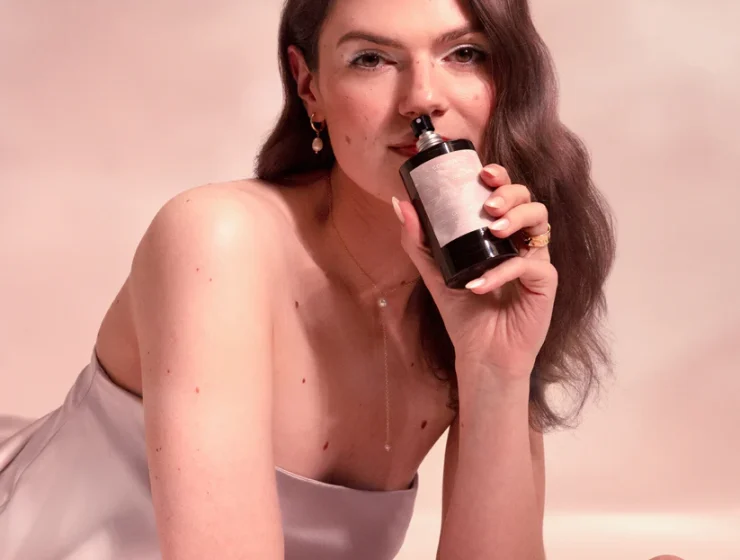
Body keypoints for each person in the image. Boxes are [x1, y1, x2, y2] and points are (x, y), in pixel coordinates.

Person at [0, 0, 619, 558]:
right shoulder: (217, 238)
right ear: (309, 85)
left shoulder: (494, 280)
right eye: (372, 58)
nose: (422, 98)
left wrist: (494, 371)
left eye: (464, 53)